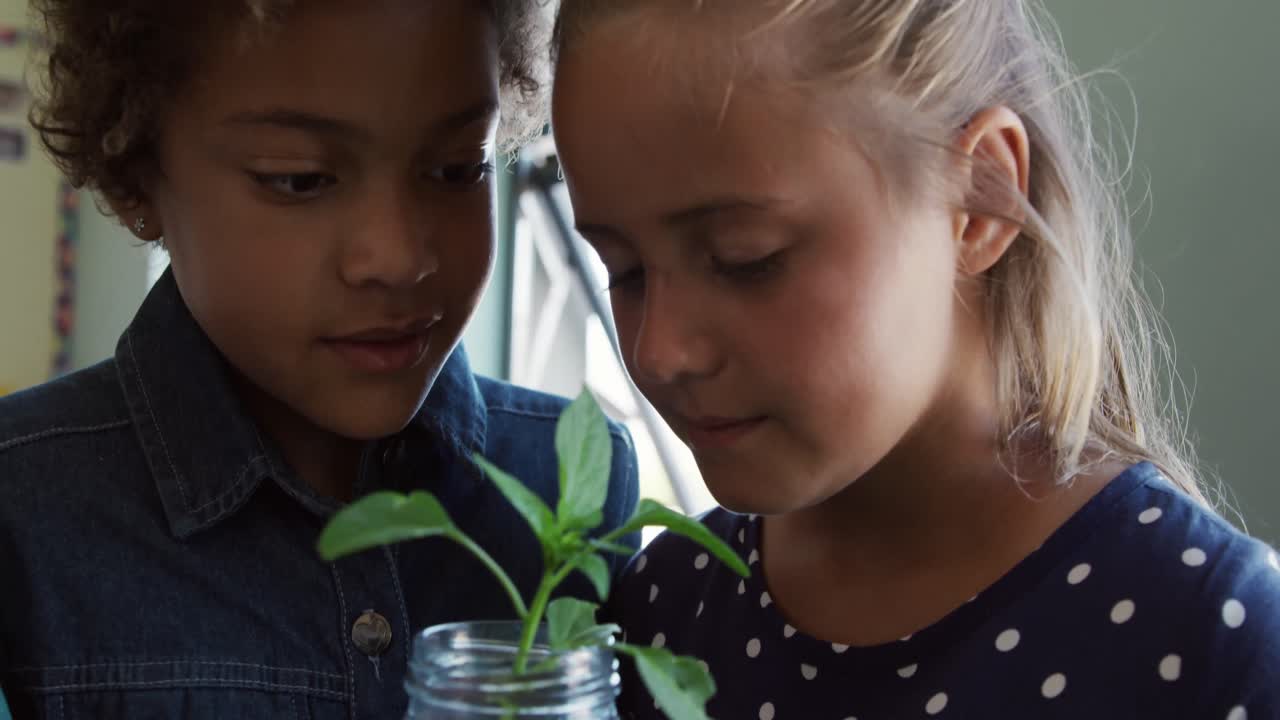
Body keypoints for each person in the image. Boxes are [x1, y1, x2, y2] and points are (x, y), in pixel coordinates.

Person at [549, 1, 1280, 717]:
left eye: (746, 259)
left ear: (981, 197)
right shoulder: (661, 612)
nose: (661, 350)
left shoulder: (1213, 639)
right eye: (624, 270)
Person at [0, 2, 638, 718]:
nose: (397, 259)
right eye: (301, 179)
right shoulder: (21, 512)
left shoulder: (575, 484)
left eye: (459, 168)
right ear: (135, 179)